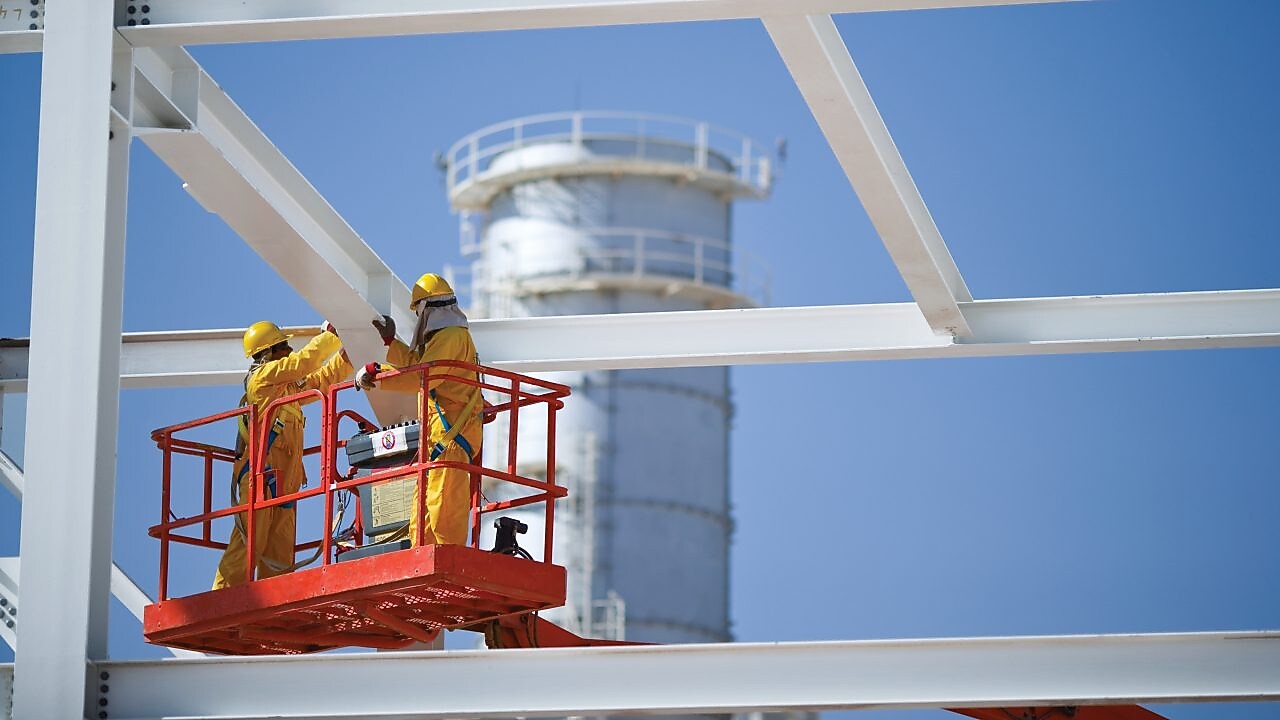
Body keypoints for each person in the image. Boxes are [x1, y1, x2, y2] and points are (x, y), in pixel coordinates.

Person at [212, 320, 353, 589]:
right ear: (269, 352)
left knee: (279, 550)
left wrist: (347, 359)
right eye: (283, 346)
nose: (289, 349)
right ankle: (222, 597)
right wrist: (330, 337)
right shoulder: (263, 379)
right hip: (259, 481)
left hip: (283, 484)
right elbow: (302, 364)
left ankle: (275, 598)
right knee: (249, 544)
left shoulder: (284, 389)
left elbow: (319, 382)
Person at [357, 273, 482, 547]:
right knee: (423, 516)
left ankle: (449, 562)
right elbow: (420, 364)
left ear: (426, 309)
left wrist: (378, 375)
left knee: (442, 512)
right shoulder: (446, 337)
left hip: (450, 439)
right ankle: (423, 559)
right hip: (440, 440)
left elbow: (423, 377)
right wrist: (392, 343)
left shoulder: (451, 337)